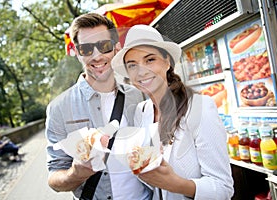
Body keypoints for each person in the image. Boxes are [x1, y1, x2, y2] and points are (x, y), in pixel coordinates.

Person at [112, 24, 234, 199]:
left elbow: (223, 188)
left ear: (167, 62)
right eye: (132, 65)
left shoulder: (199, 107)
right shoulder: (142, 111)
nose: (141, 71)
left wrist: (174, 184)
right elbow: (151, 179)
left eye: (150, 60)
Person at [45, 13, 151, 200]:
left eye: (104, 46)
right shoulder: (58, 108)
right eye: (86, 49)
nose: (97, 56)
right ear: (76, 53)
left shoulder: (137, 94)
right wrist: (75, 173)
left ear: (116, 48)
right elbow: (54, 176)